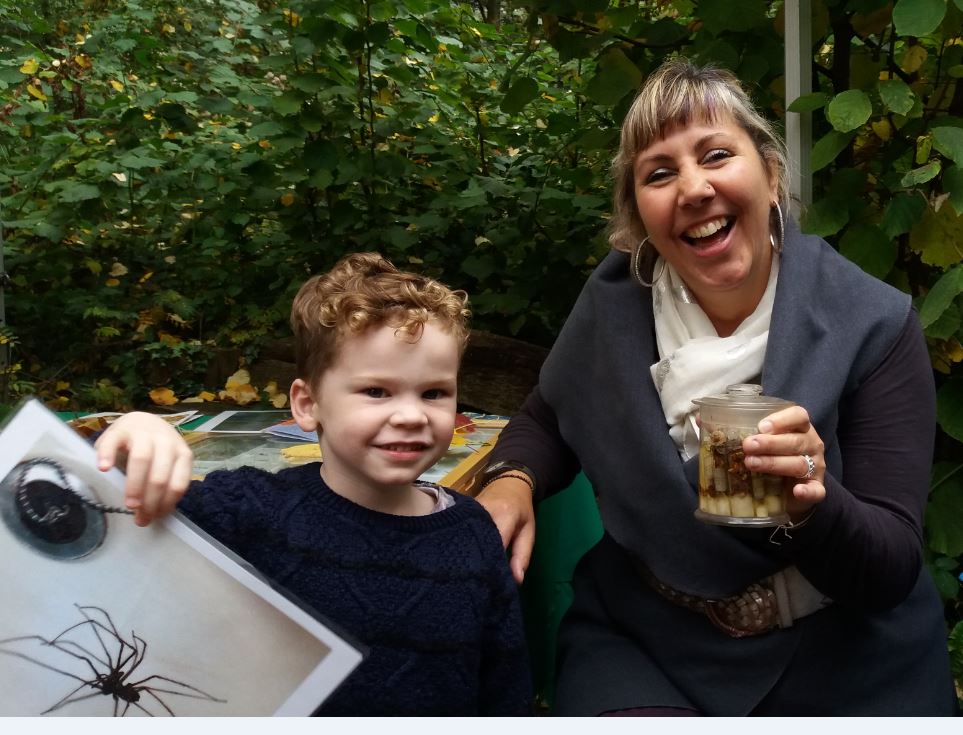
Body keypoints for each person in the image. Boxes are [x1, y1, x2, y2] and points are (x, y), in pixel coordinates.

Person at [475, 58, 957, 716]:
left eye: (715, 154)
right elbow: (548, 416)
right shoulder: (615, 304)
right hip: (649, 644)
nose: (693, 188)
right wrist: (511, 477)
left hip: (846, 654)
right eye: (659, 172)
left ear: (770, 175)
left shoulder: (866, 319)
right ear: (638, 215)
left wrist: (811, 507)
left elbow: (887, 566)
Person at [96, 252, 533, 716]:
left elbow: (504, 685)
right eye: (376, 391)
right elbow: (110, 515)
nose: (410, 415)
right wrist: (138, 430)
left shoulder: (473, 532)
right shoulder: (253, 510)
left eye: (434, 393)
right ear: (307, 404)